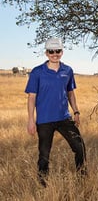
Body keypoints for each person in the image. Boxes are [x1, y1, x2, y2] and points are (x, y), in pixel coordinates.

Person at [25, 37, 87, 187]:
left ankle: (82, 178)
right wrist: (31, 120)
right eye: (51, 51)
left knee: (80, 147)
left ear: (62, 52)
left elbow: (70, 93)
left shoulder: (68, 70)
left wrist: (76, 111)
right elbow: (31, 98)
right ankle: (43, 184)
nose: (55, 54)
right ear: (46, 53)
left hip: (64, 118)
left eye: (57, 51)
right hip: (44, 120)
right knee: (44, 155)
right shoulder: (37, 72)